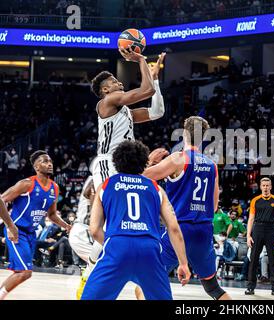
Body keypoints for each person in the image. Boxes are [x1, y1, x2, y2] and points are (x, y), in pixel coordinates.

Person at [79, 49, 167, 298]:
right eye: (113, 82)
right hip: (108, 163)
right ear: (105, 90)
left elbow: (156, 110)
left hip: (126, 164)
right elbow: (144, 92)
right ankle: (92, 268)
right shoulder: (106, 102)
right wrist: (141, 61)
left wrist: (156, 80)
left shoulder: (125, 110)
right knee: (107, 220)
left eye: (118, 81)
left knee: (126, 218)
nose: (118, 83)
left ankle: (101, 265)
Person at [81, 141, 190, 300]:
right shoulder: (156, 188)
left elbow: (95, 229)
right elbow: (173, 228)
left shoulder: (106, 185)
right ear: (144, 162)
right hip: (149, 249)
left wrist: (117, 244)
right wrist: (183, 263)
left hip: (117, 246)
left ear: (116, 161)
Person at [143, 116, 232, 300]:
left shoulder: (178, 159)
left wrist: (150, 161)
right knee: (213, 288)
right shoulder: (212, 165)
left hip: (179, 230)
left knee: (145, 282)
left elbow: (141, 177)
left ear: (184, 134)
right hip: (204, 231)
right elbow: (214, 206)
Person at [0, 150, 71, 300]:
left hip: (31, 234)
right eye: (45, 161)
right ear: (36, 167)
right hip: (17, 231)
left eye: (50, 160)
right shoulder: (27, 184)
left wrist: (66, 226)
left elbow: (51, 215)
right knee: (25, 272)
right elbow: (1, 199)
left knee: (22, 273)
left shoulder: (55, 188)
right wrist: (10, 226)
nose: (49, 163)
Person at [243, 177, 274, 296]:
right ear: (261, 186)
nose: (266, 187)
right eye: (264, 185)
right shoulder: (255, 200)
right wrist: (248, 236)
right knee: (253, 259)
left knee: (273, 260)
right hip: (257, 229)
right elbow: (251, 218)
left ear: (271, 187)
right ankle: (250, 287)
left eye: (268, 185)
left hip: (271, 229)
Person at [68, 176, 95, 272]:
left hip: (84, 230)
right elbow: (90, 191)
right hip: (84, 230)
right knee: (105, 264)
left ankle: (86, 282)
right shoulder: (96, 177)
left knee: (96, 267)